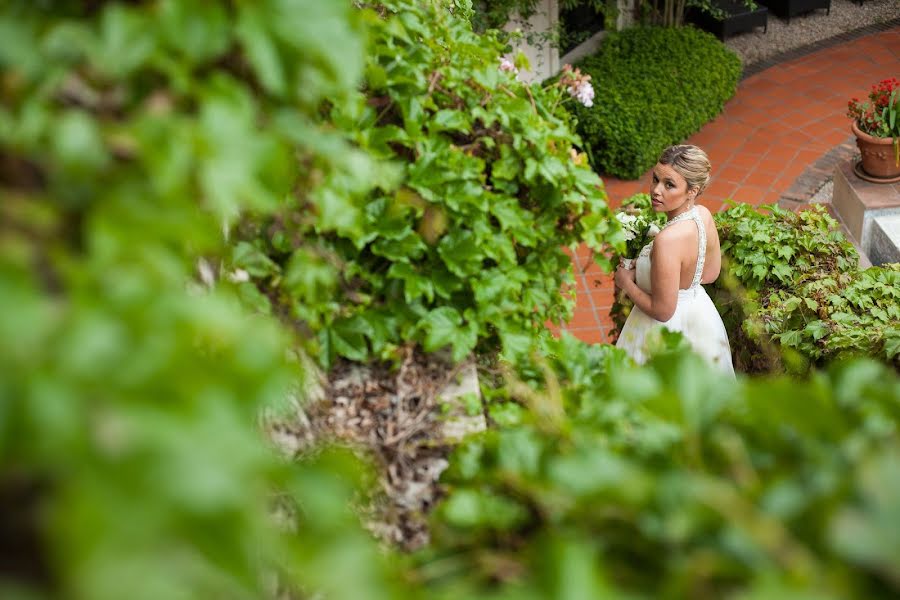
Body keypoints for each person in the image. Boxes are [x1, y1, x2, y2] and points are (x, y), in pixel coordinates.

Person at [614, 145, 734, 375]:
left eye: (669, 185)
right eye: (656, 179)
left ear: (692, 191)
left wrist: (626, 282)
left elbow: (662, 311)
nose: (656, 190)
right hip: (700, 318)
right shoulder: (704, 216)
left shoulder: (666, 241)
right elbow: (710, 274)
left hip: (661, 333)